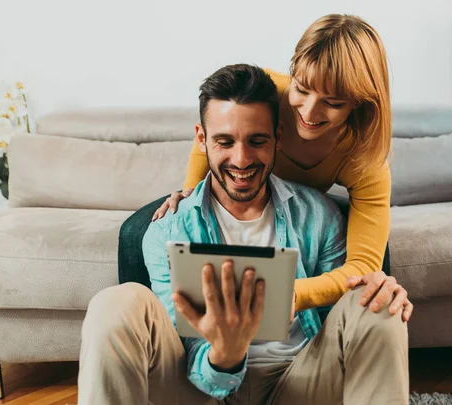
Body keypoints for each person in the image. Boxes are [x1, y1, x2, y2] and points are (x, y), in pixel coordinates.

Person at [79, 64, 408, 405]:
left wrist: (377, 293)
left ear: (278, 138)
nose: (241, 160)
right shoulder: (167, 229)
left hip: (298, 384)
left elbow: (341, 327)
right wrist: (226, 355)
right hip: (202, 388)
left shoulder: (318, 217)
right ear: (202, 139)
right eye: (224, 141)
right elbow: (185, 346)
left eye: (256, 141)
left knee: (379, 305)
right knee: (113, 303)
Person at [119, 13, 414, 320]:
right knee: (136, 232)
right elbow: (216, 130)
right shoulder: (267, 92)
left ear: (359, 102)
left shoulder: (365, 157)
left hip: (300, 206)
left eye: (333, 102)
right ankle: (152, 342)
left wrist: (295, 292)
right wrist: (191, 191)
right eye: (302, 89)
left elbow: (362, 267)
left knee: (376, 269)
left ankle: (354, 345)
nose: (309, 112)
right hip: (243, 188)